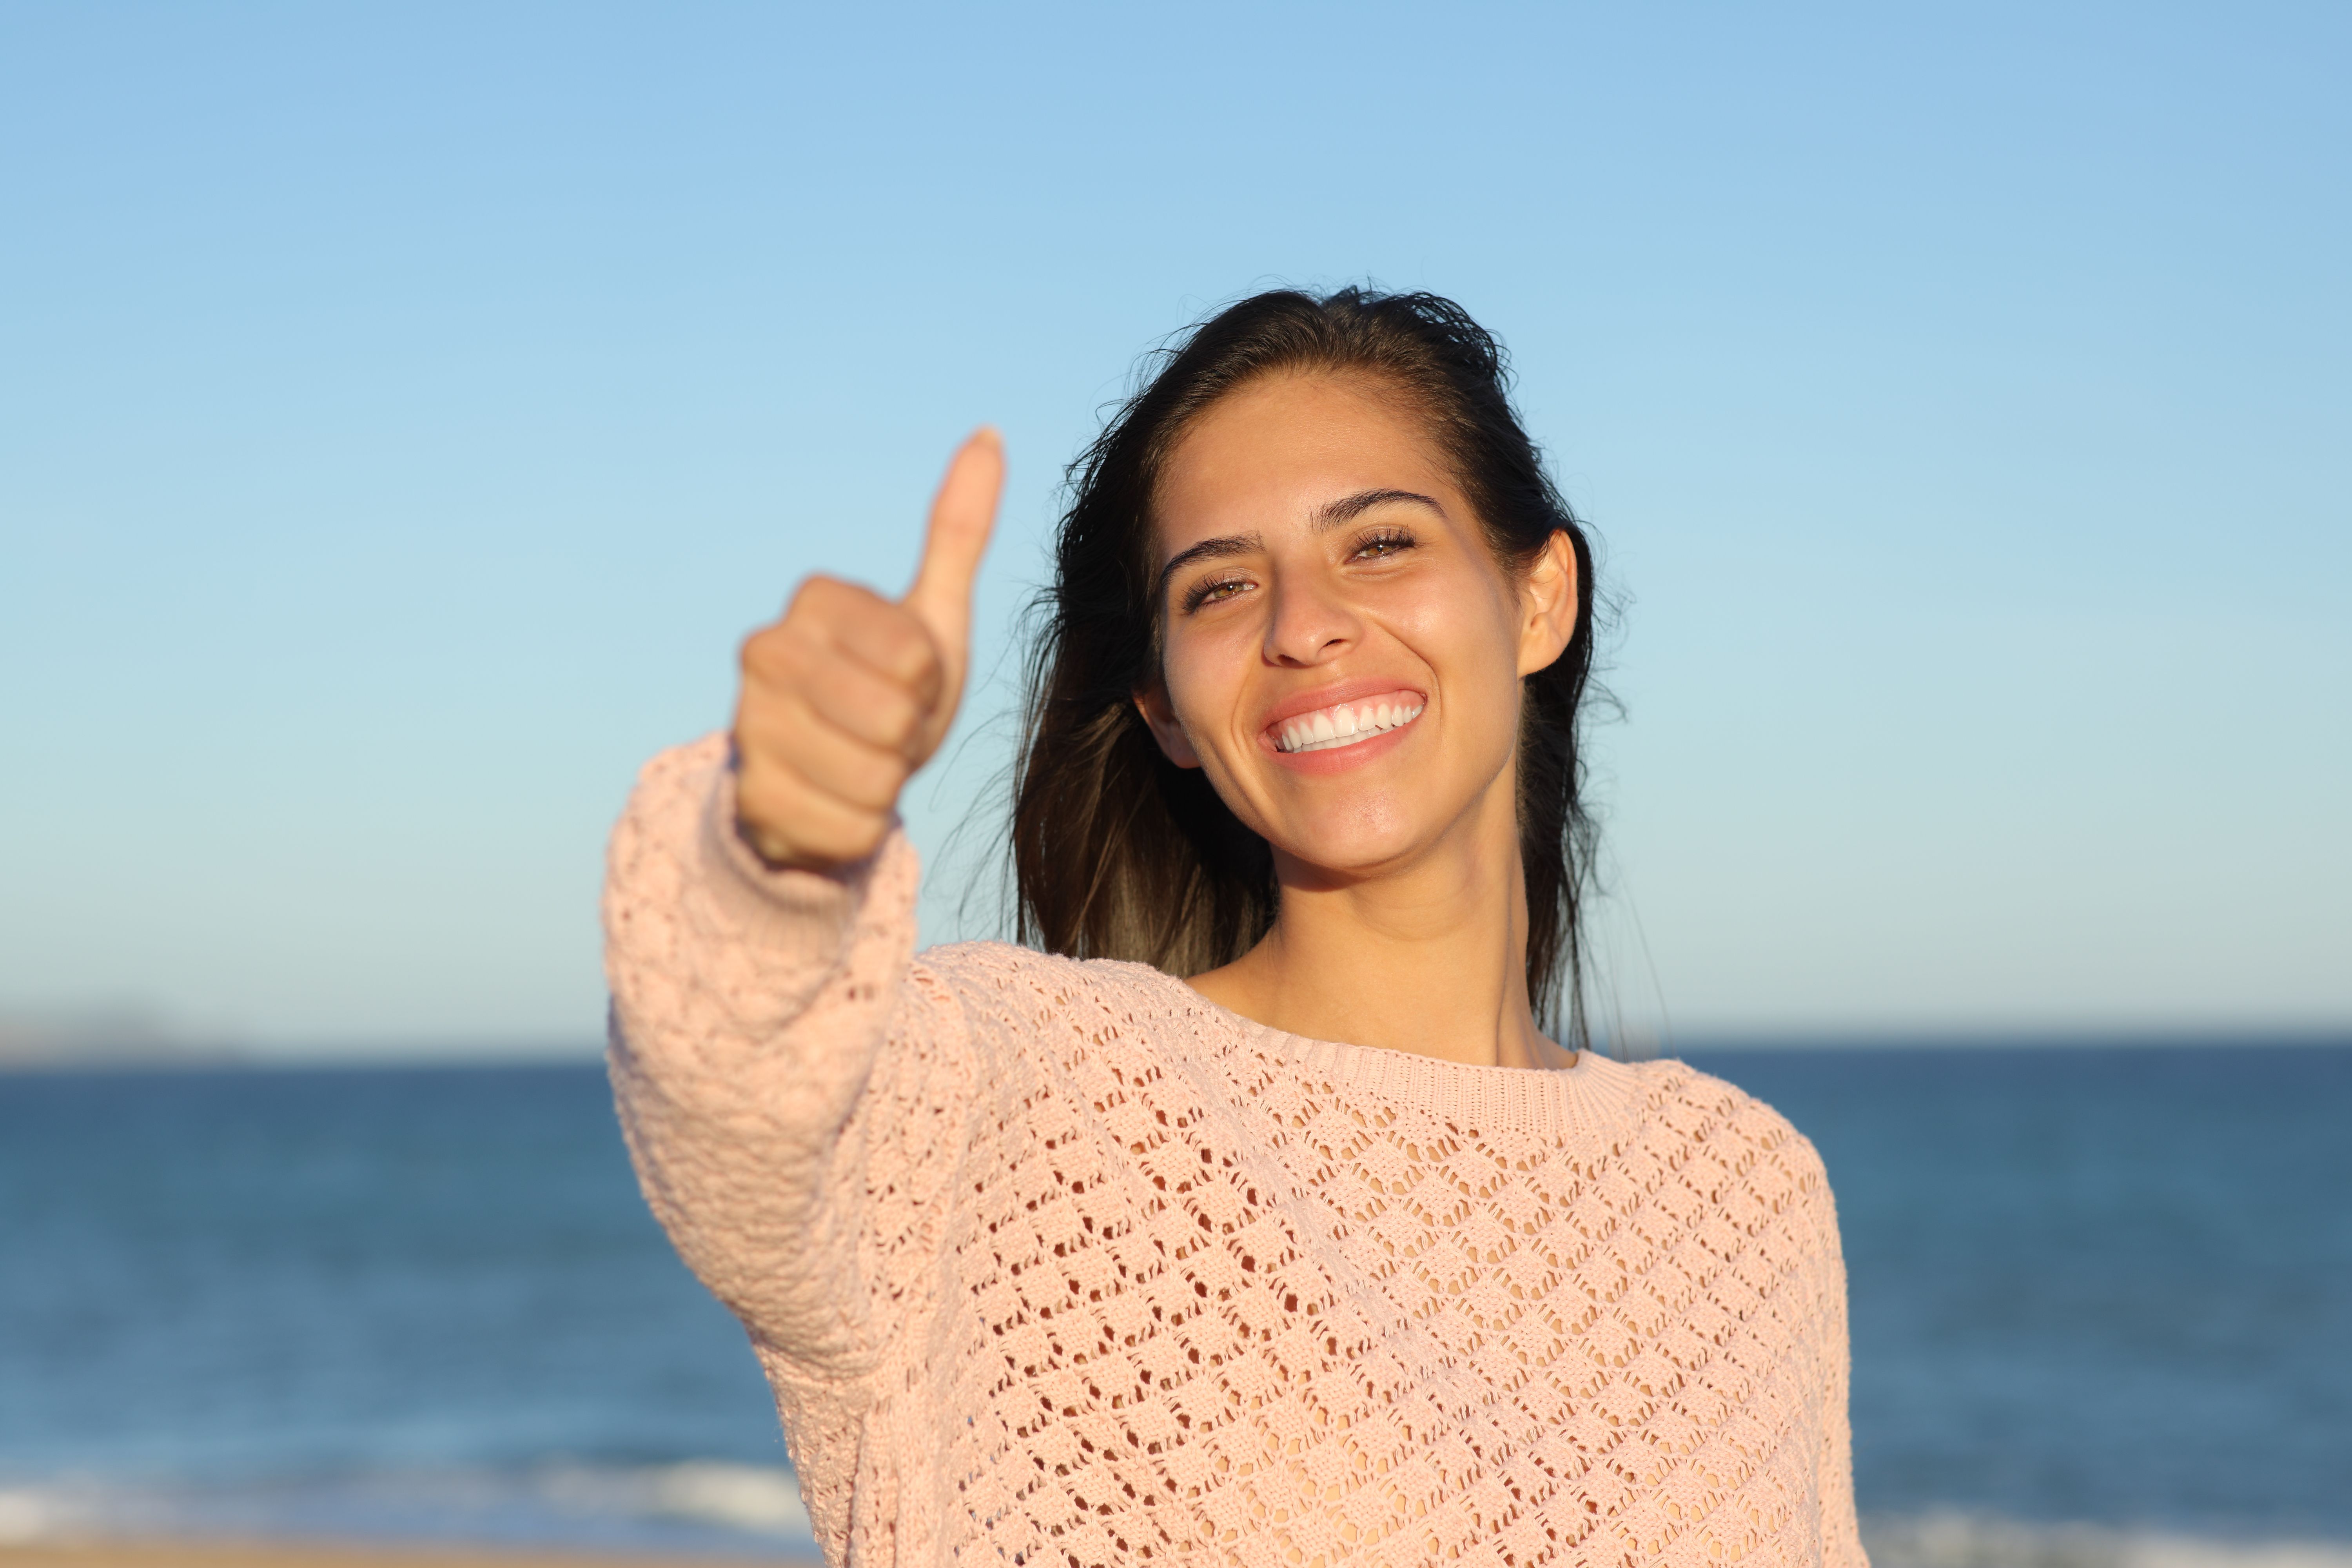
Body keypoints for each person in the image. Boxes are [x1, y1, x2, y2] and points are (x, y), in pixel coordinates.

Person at [603, 288, 1867, 1568]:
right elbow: (741, 1097)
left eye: (1380, 543)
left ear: (1540, 598)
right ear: (1164, 708)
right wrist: (781, 856)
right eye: (1220, 589)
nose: (1302, 627)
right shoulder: (1039, 1094)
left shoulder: (1744, 1193)